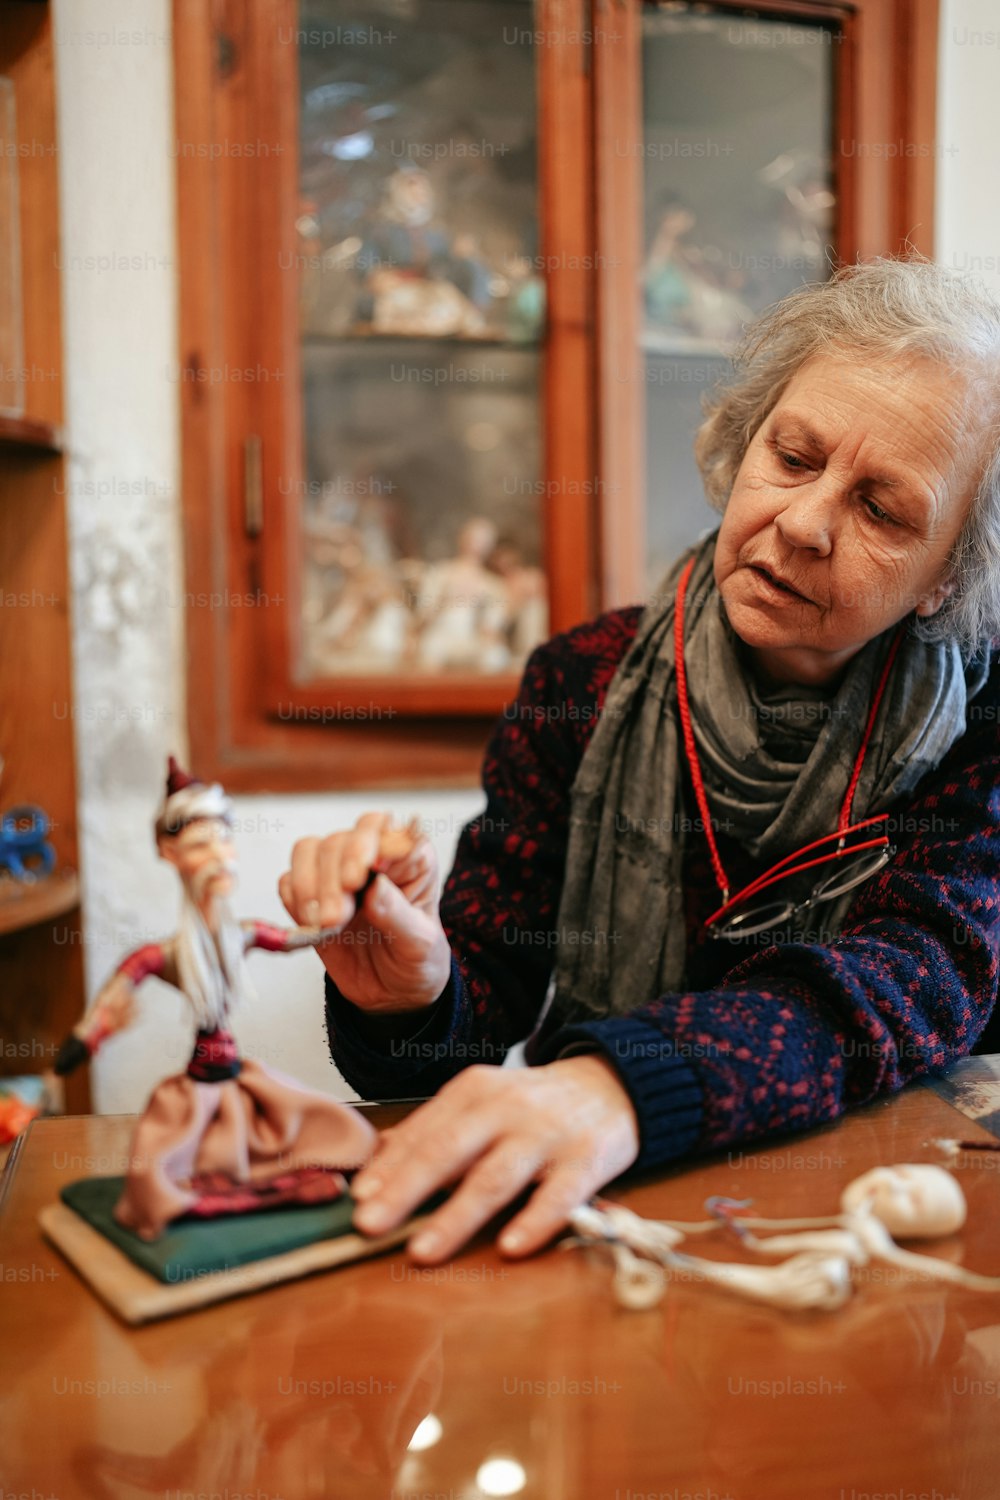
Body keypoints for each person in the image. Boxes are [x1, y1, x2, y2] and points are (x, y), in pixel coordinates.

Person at [279, 258, 1000, 1268]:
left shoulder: (983, 723)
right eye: (792, 457)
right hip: (608, 1219)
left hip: (873, 1235)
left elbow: (902, 987)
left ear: (947, 579)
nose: (800, 523)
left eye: (882, 512)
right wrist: (410, 990)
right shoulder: (581, 680)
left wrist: (618, 1084)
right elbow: (465, 1034)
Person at [55, 758, 380, 1239]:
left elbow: (295, 938)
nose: (219, 856)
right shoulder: (163, 955)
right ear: (169, 851)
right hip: (200, 1082)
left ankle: (295, 1176)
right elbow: (121, 988)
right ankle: (191, 1193)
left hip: (233, 1077)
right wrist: (88, 1038)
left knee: (323, 1125)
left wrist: (346, 910)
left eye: (223, 840)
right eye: (201, 844)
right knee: (171, 1148)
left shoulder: (241, 935)